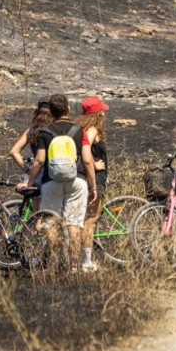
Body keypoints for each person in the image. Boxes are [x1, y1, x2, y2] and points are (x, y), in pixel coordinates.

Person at [22, 94, 97, 269]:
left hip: (51, 181)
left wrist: (30, 182)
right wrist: (92, 186)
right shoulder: (80, 131)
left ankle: (53, 264)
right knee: (74, 224)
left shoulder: (45, 132)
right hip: (76, 181)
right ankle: (74, 266)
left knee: (51, 222)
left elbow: (39, 161)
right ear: (68, 109)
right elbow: (87, 160)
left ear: (52, 112)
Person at [75, 96, 110, 272]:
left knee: (87, 220)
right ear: (97, 114)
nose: (104, 113)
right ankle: (86, 261)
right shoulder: (92, 130)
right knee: (91, 221)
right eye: (102, 111)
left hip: (91, 179)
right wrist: (94, 164)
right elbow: (85, 150)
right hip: (94, 180)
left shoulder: (82, 129)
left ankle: (84, 259)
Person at [8, 100, 54, 174]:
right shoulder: (55, 130)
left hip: (38, 174)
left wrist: (28, 171)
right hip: (54, 173)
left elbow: (13, 152)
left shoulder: (31, 131)